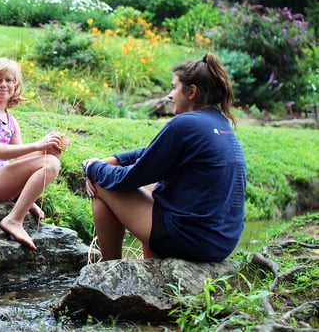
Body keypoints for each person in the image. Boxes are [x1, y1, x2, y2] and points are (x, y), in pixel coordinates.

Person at [82, 52, 246, 262]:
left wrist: (91, 167)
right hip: (221, 243)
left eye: (174, 87)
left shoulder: (184, 124)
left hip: (191, 242)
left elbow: (128, 179)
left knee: (101, 184)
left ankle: (110, 269)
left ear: (192, 92)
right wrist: (115, 159)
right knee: (153, 187)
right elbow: (154, 153)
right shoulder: (220, 123)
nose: (169, 95)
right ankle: (149, 265)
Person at [0, 58, 66, 250]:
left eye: (8, 80)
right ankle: (14, 219)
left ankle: (24, 200)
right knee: (50, 163)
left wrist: (48, 145)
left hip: (0, 175)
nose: (3, 85)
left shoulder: (11, 120)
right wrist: (37, 145)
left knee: (52, 152)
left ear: (15, 85)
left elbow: (20, 159)